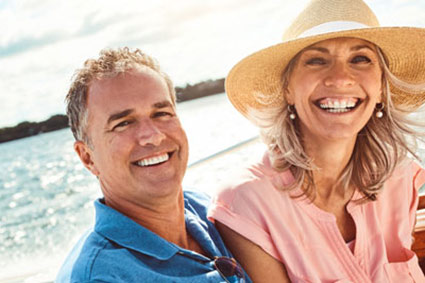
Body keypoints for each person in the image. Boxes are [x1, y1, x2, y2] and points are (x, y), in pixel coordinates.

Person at [208, 0, 425, 282]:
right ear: (287, 89)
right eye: (316, 60)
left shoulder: (400, 177)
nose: (340, 77)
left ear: (382, 87)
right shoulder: (246, 204)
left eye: (360, 59)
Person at [55, 47, 248, 283]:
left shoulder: (206, 208)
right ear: (88, 157)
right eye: (123, 123)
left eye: (162, 113)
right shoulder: (101, 277)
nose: (153, 136)